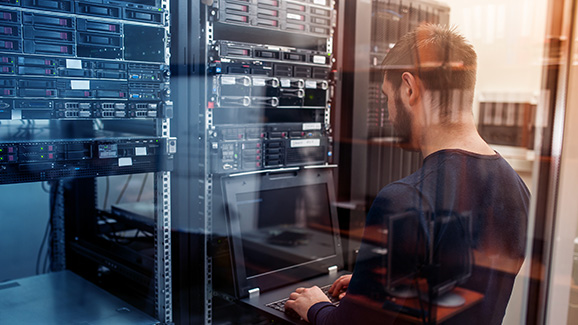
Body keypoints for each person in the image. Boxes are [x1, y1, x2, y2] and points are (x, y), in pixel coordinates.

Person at [284, 24, 530, 325]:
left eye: (387, 96)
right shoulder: (517, 187)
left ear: (409, 88)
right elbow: (454, 288)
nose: (388, 112)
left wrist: (316, 307)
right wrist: (372, 289)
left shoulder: (404, 200)